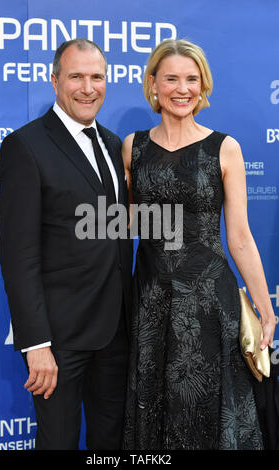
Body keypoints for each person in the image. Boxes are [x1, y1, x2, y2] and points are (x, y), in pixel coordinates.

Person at [121, 38, 276, 450]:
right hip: (152, 299)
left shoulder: (225, 148)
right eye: (171, 78)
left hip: (210, 302)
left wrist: (264, 304)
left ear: (203, 86)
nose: (182, 89)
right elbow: (131, 223)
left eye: (192, 79)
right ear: (153, 84)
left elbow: (240, 236)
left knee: (208, 406)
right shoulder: (132, 147)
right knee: (157, 409)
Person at [0, 38, 132, 450]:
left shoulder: (113, 144)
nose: (87, 88)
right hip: (57, 339)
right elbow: (19, 255)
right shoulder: (25, 145)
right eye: (76, 76)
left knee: (111, 441)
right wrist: (36, 344)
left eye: (97, 77)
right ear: (54, 80)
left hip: (114, 331)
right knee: (58, 440)